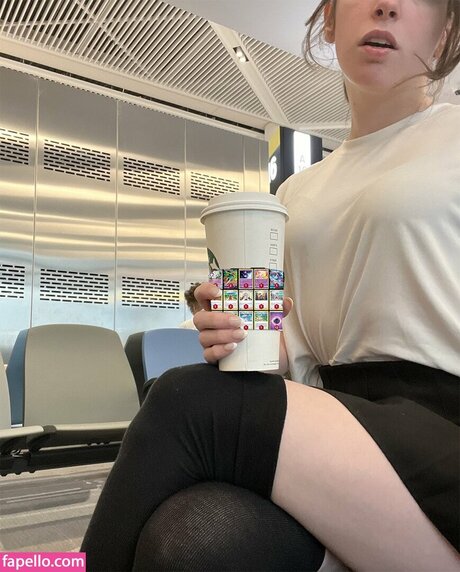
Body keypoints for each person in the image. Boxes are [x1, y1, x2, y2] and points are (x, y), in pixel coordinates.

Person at [82, 1, 460, 570]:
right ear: (330, 19)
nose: (386, 5)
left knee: (184, 399)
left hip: (442, 425)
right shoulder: (293, 194)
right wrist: (237, 332)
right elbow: (289, 346)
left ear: (446, 29)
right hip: (336, 421)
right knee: (189, 540)